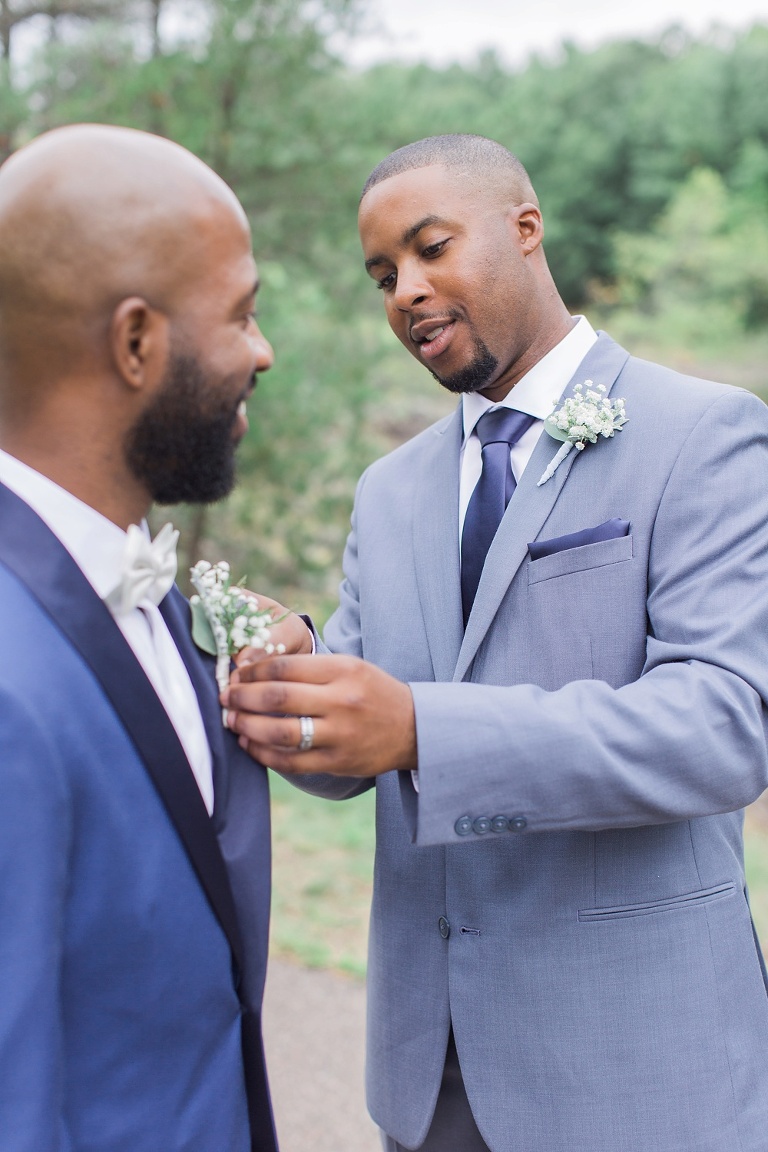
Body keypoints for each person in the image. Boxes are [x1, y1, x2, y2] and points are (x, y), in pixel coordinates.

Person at [224, 134, 768, 1152]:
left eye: (432, 249)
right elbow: (356, 748)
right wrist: (292, 679)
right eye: (384, 275)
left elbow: (724, 728)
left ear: (526, 229)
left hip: (639, 1078)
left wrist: (423, 728)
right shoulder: (388, 492)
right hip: (429, 1082)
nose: (407, 292)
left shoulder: (705, 434)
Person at [0, 124, 284, 1151]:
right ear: (135, 344)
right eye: (243, 313)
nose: (262, 352)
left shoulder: (145, 588)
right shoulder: (10, 685)